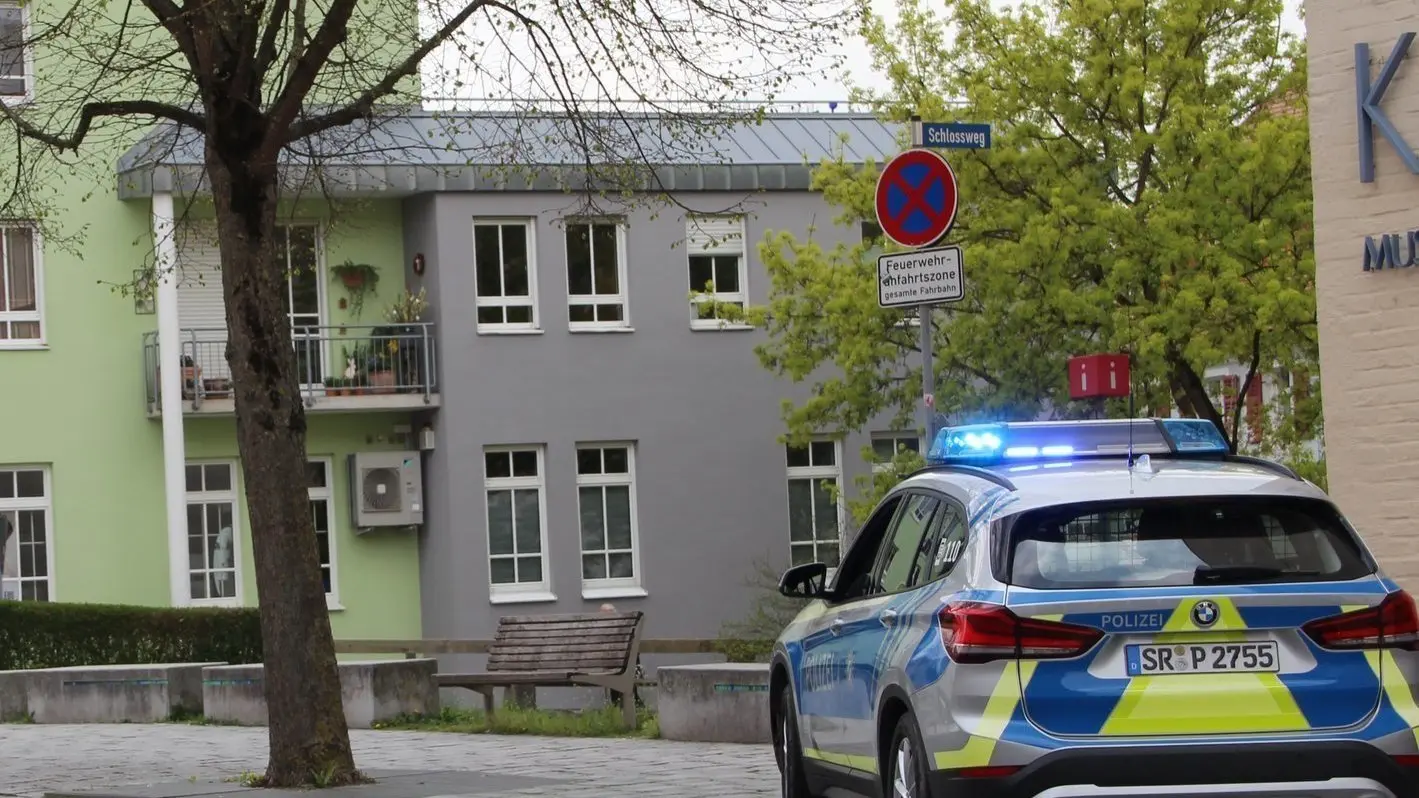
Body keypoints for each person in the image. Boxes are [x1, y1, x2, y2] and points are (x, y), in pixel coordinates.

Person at [600, 603, 645, 711]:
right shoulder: (623, 627)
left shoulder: (614, 630)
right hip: (620, 667)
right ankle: (632, 706)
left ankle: (623, 707)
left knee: (619, 676)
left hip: (619, 667)